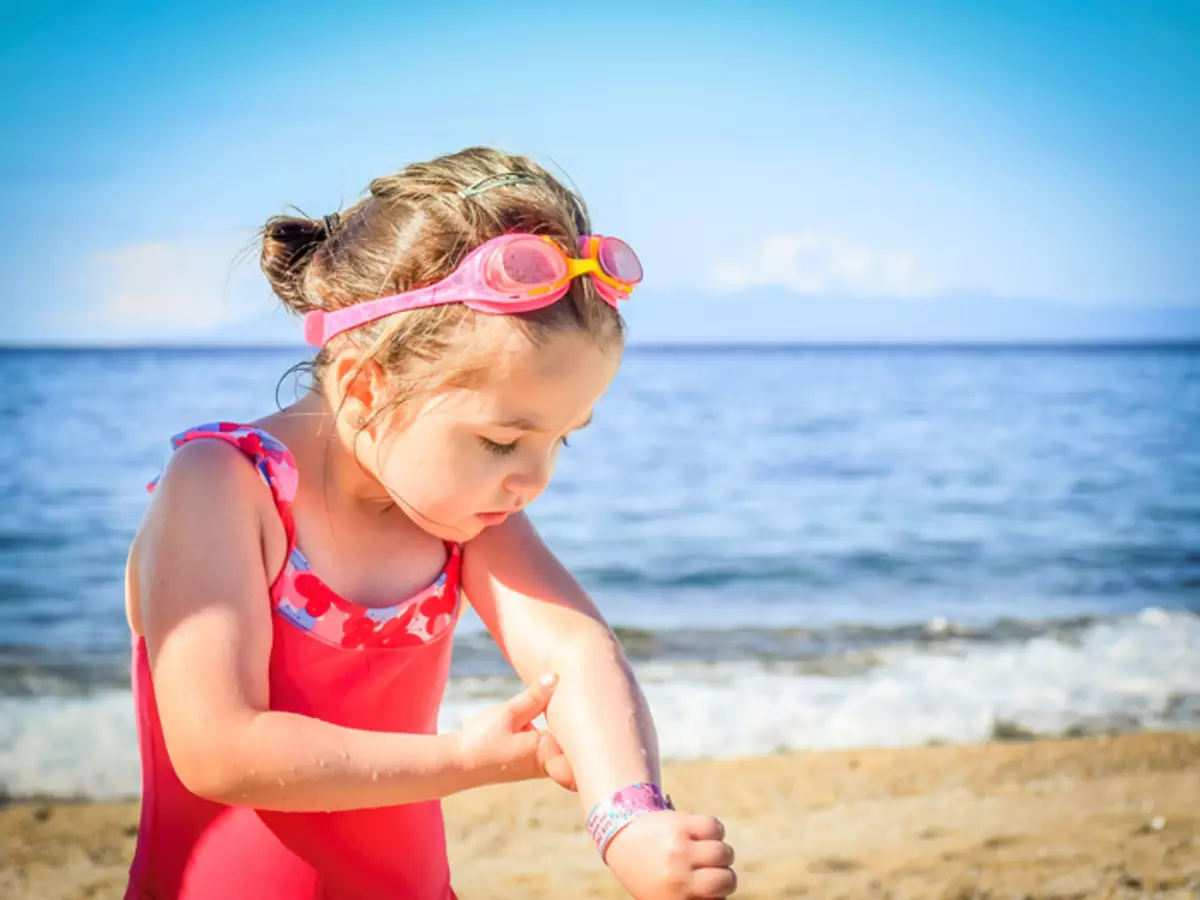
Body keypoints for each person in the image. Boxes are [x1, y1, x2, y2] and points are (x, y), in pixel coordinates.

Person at [123, 146, 738, 899]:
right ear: (363, 383)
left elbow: (575, 653)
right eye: (502, 441)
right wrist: (468, 759)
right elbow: (218, 749)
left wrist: (629, 820)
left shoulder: (457, 513)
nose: (534, 479)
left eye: (562, 438)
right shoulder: (225, 486)